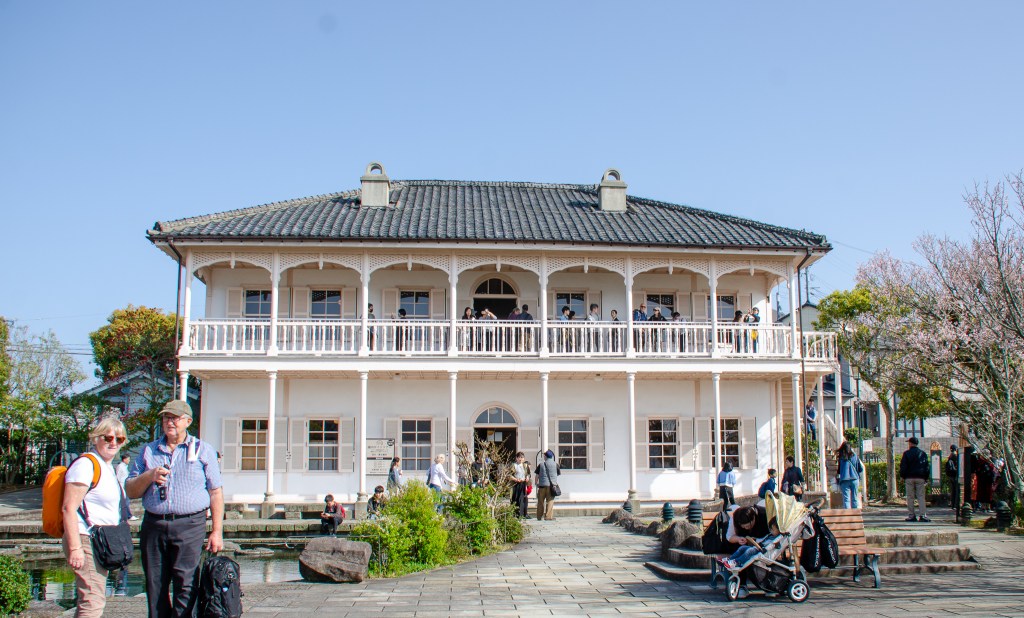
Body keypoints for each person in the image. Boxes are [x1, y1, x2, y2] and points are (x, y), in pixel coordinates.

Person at [126, 399, 224, 618]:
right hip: (155, 522)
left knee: (186, 581)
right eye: (166, 417)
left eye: (175, 418)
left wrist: (216, 531)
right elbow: (131, 489)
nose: (170, 422)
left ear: (187, 421)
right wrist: (149, 476)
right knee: (155, 581)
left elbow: (215, 492)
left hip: (189, 523)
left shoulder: (202, 450)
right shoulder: (148, 451)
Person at [62, 416, 128, 618]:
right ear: (96, 438)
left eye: (120, 439)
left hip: (99, 541)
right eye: (108, 437)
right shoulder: (86, 465)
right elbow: (68, 508)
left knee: (91, 598)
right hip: (84, 539)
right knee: (93, 601)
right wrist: (75, 548)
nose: (114, 443)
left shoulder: (107, 466)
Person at [723, 504, 771, 599]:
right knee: (740, 548)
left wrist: (756, 540)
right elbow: (730, 537)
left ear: (753, 518)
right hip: (746, 544)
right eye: (743, 527)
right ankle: (741, 582)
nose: (746, 528)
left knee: (749, 551)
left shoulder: (764, 515)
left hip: (763, 546)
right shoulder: (735, 518)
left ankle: (769, 585)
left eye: (748, 526)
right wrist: (738, 539)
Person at [900, 436, 930, 522]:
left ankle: (911, 515)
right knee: (921, 496)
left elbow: (903, 466)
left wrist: (902, 476)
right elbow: (926, 467)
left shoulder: (906, 454)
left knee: (910, 497)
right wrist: (926, 477)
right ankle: (923, 515)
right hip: (920, 477)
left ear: (910, 443)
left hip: (909, 478)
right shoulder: (923, 453)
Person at [836, 441, 864, 509]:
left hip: (844, 480)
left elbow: (839, 471)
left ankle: (848, 515)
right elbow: (860, 469)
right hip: (854, 479)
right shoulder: (855, 456)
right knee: (854, 498)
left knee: (846, 499)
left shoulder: (841, 458)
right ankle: (855, 515)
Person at [535, 450, 560, 521]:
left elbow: (537, 475)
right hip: (552, 486)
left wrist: (536, 483)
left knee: (540, 501)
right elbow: (557, 474)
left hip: (542, 485)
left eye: (544, 456)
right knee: (550, 501)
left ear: (545, 456)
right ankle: (548, 517)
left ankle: (539, 517)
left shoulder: (541, 465)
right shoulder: (556, 464)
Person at [115, 454, 139, 521]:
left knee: (126, 501)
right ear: (124, 459)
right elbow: (118, 477)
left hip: (125, 486)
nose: (129, 461)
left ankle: (127, 515)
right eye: (128, 459)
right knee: (125, 501)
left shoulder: (124, 466)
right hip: (122, 486)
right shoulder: (120, 467)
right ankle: (129, 516)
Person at [510, 451, 530, 519]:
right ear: (516, 458)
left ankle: (522, 514)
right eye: (519, 457)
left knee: (522, 499)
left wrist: (527, 478)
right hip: (516, 484)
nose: (520, 459)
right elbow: (509, 475)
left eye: (522, 457)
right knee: (515, 498)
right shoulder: (514, 465)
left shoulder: (525, 465)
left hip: (523, 483)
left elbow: (528, 474)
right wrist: (515, 479)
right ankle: (515, 513)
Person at [946, 445, 960, 515]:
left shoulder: (950, 456)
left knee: (953, 490)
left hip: (951, 475)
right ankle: (955, 504)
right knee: (956, 490)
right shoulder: (955, 456)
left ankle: (953, 504)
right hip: (955, 475)